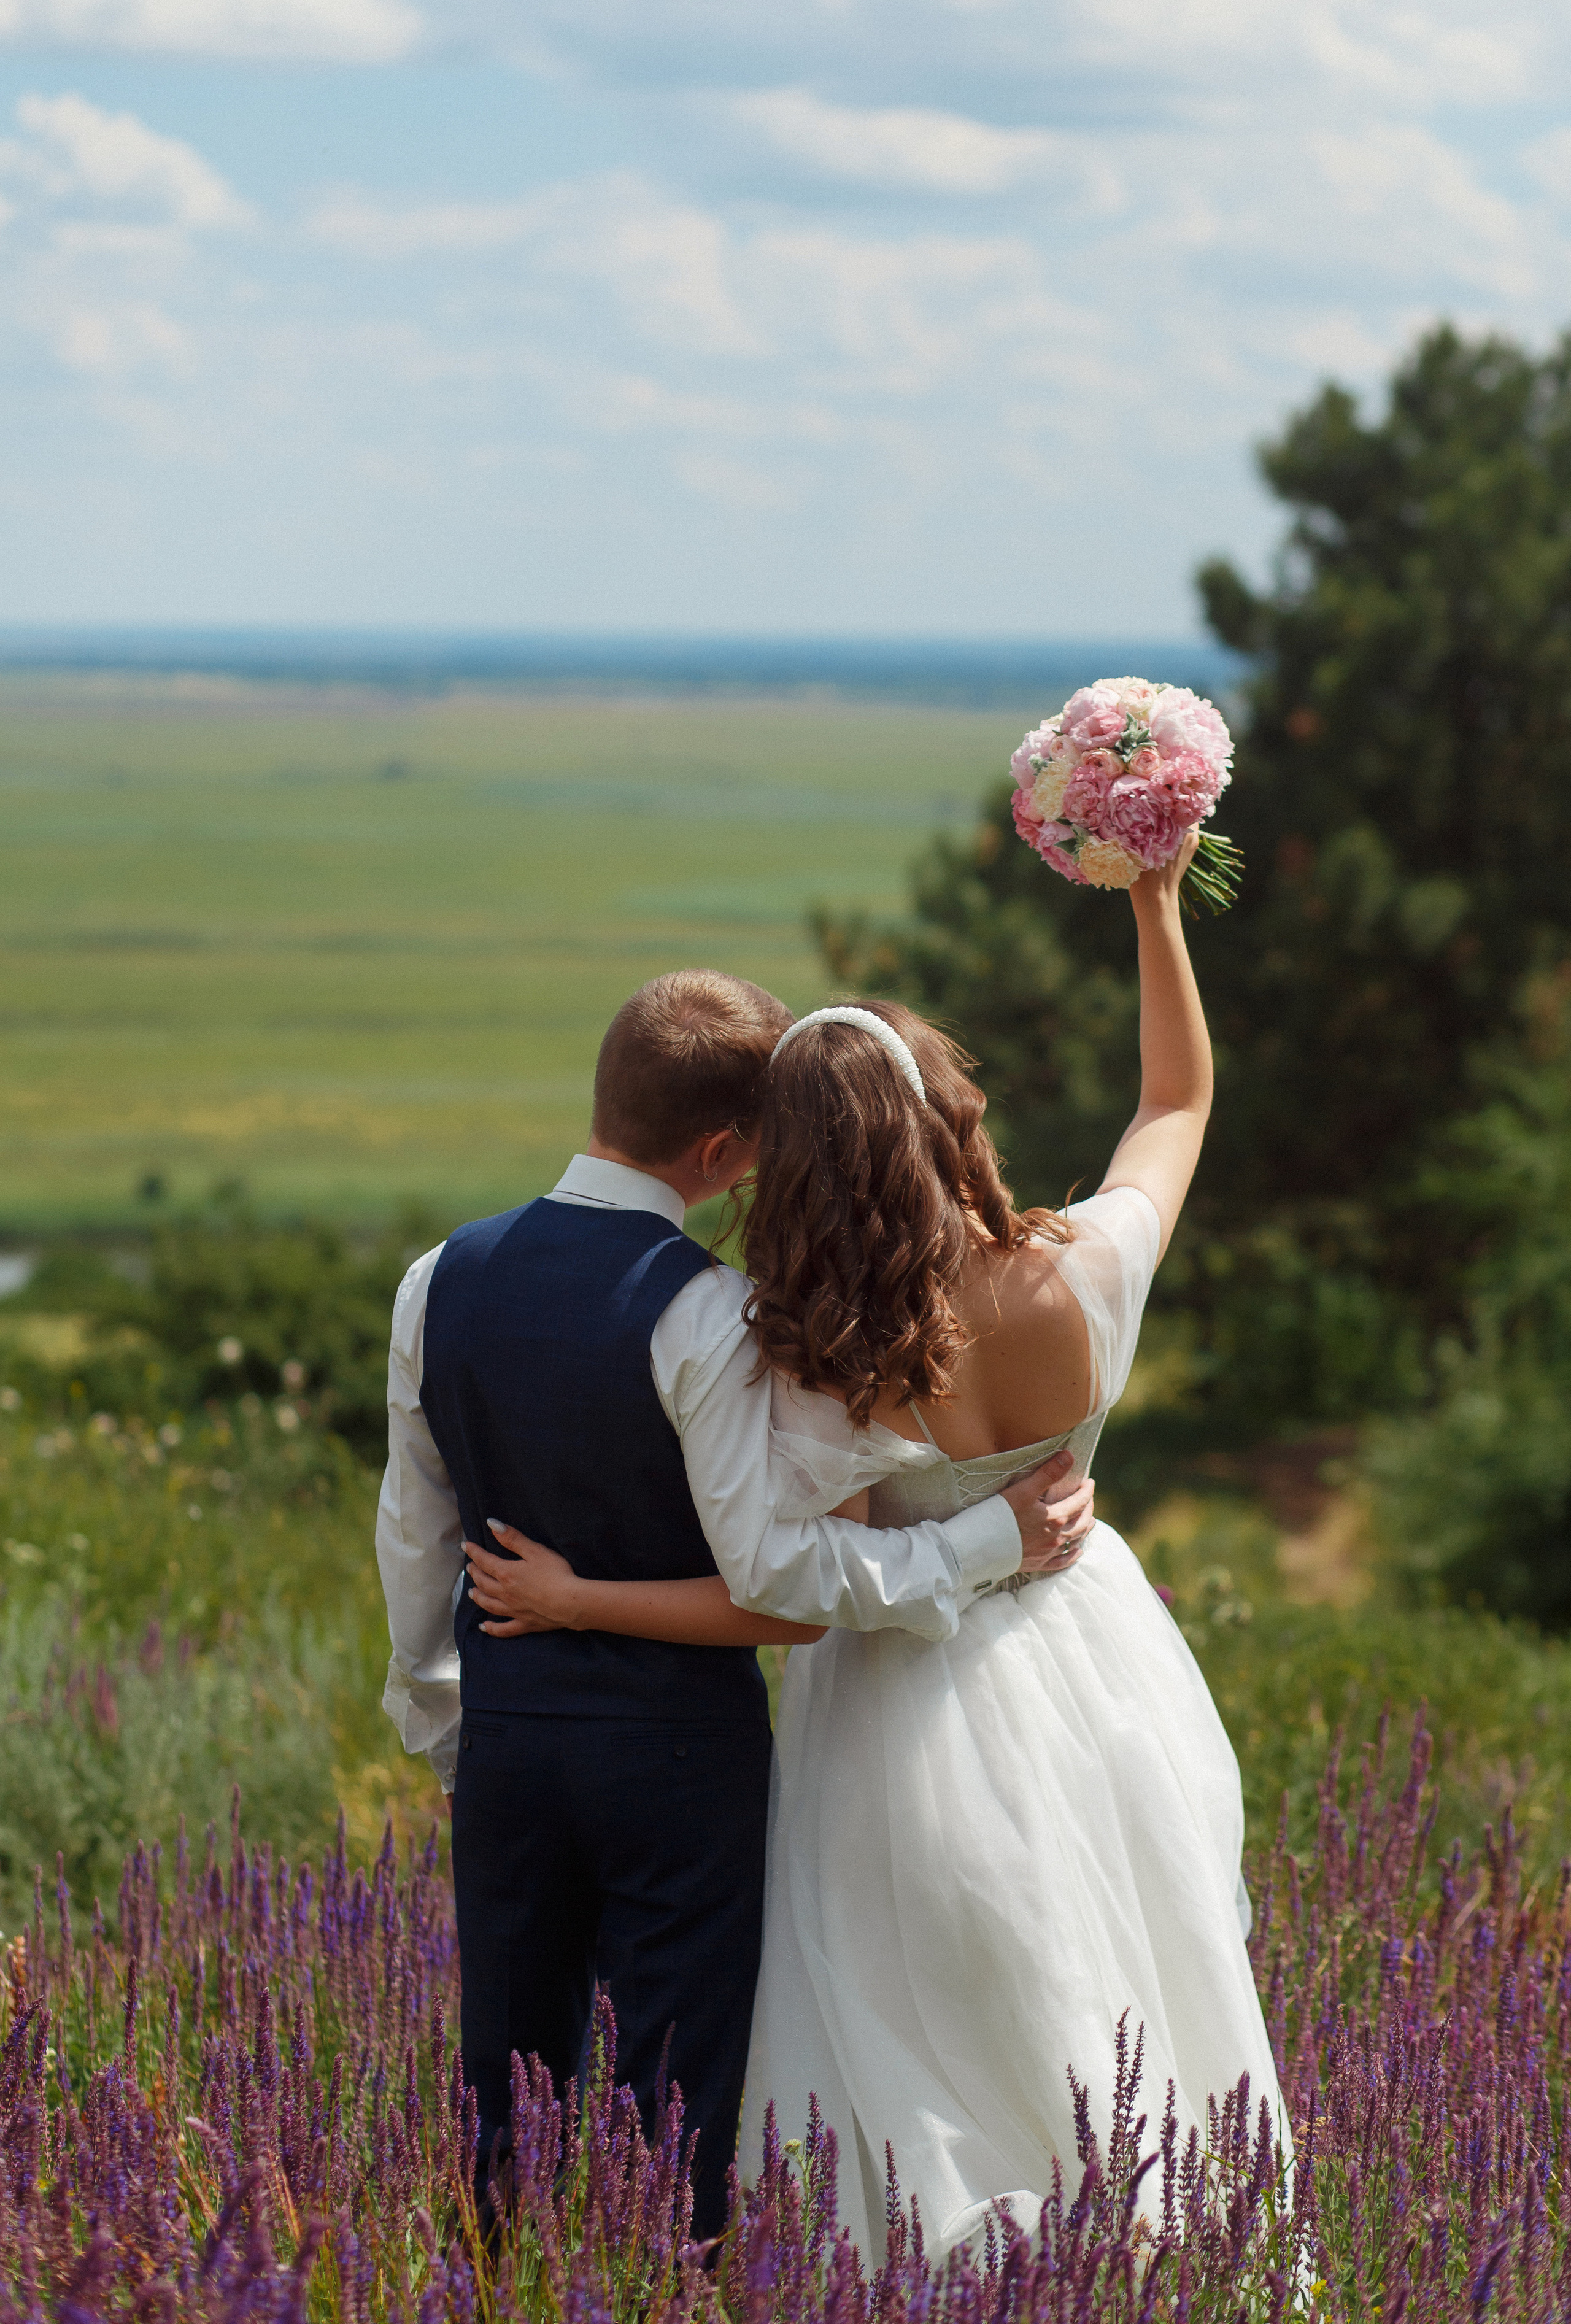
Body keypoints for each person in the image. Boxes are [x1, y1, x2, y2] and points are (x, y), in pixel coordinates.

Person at [471, 836, 1289, 2258]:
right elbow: (1174, 1099)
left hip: (900, 1709)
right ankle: (1162, 2257)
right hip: (1101, 1671)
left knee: (917, 2049)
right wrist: (1153, 903)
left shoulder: (817, 1360)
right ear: (953, 1118)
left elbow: (789, 1587)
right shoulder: (1087, 1273)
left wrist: (583, 1595)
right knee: (1121, 1991)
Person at [376, 967, 1096, 2245]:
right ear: (720, 1153)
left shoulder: (438, 1278)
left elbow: (412, 1540)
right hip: (677, 1763)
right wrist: (992, 1538)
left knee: (505, 2090)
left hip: (508, 1743)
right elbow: (778, 1578)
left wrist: (455, 1732)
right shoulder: (710, 1314)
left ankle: (501, 2288)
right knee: (679, 2104)